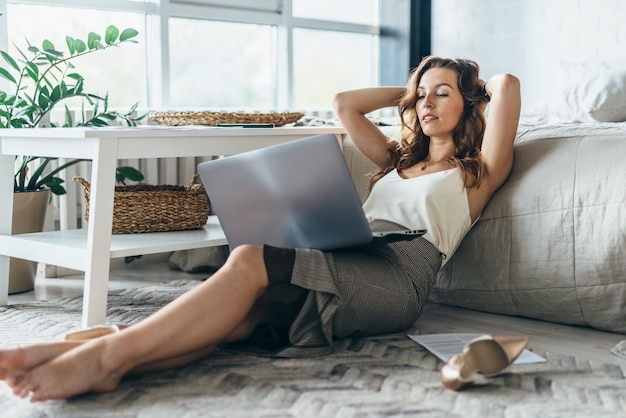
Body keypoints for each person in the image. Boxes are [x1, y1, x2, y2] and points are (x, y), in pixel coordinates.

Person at [0, 56, 521, 402]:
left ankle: (104, 354)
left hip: (400, 276)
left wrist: (469, 84)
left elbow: (507, 85)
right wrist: (412, 90)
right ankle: (106, 358)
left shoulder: (475, 174)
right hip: (350, 251)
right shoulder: (393, 159)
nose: (426, 104)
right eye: (421, 96)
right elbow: (345, 104)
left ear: (470, 103)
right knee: (241, 317)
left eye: (443, 95)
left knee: (249, 257)